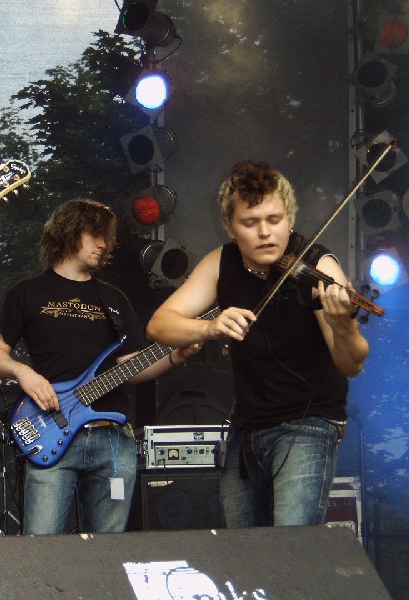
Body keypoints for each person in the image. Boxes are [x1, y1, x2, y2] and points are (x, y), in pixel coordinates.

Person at [146, 159, 370, 528]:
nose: (265, 232)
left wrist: (343, 325)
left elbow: (352, 363)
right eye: (250, 223)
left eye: (274, 219)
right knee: (245, 550)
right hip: (247, 427)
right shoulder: (222, 262)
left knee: (292, 543)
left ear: (290, 219)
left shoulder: (317, 264)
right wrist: (210, 327)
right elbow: (159, 325)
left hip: (308, 423)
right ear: (230, 227)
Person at [0, 198, 199, 535]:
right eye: (95, 235)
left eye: (106, 238)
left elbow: (130, 366)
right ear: (68, 233)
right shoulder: (26, 293)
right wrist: (24, 373)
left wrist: (174, 356)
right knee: (41, 546)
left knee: (107, 551)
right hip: (51, 427)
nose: (103, 245)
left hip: (111, 437)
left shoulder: (113, 299)